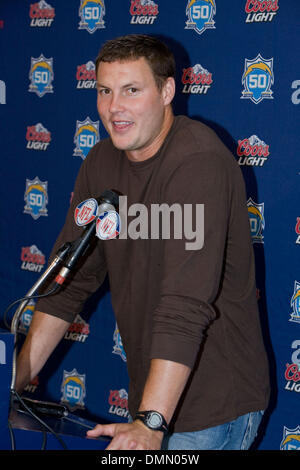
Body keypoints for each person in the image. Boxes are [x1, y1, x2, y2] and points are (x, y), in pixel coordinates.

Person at [15, 34, 270, 450]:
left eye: (132, 90)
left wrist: (151, 421)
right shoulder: (100, 163)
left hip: (213, 406)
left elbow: (184, 305)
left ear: (167, 91)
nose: (114, 107)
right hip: (155, 399)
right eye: (105, 91)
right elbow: (69, 283)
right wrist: (15, 378)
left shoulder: (198, 163)